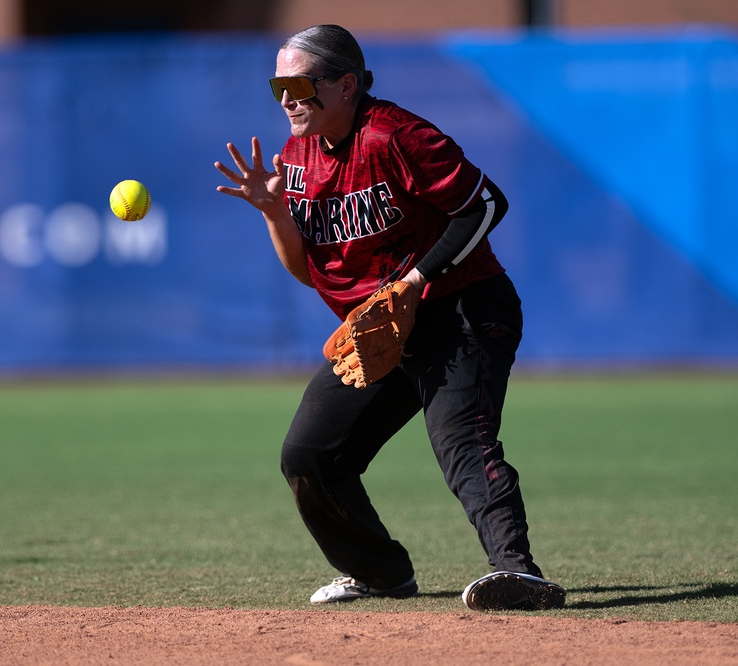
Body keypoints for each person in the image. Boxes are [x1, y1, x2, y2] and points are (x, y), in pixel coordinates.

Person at [214, 24, 565, 611]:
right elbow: (311, 272)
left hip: (463, 308)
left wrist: (414, 280)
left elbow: (483, 204)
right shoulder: (295, 158)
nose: (286, 98)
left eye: (299, 83)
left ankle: (519, 572)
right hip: (384, 329)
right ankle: (379, 573)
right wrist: (275, 211)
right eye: (278, 84)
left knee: (459, 439)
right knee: (311, 454)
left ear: (346, 84)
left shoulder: (394, 135)